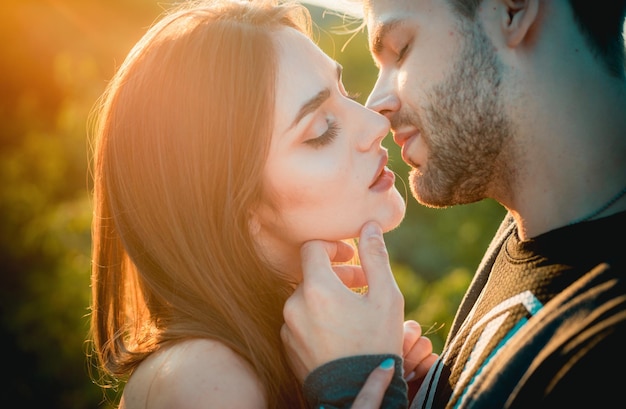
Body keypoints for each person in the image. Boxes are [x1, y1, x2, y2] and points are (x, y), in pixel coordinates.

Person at [86, 0, 438, 408]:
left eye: (346, 93)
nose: (377, 124)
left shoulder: (280, 352)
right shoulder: (203, 379)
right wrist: (349, 391)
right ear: (236, 208)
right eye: (321, 130)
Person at [281, 0, 626, 407]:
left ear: (513, 10)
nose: (376, 107)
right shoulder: (534, 227)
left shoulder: (604, 349)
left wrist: (351, 390)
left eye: (401, 49)